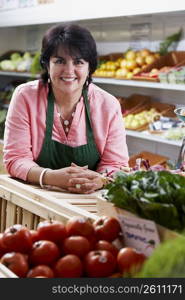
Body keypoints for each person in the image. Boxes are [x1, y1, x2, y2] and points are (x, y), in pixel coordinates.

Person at [3, 23, 129, 194]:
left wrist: (100, 180)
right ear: (47, 64)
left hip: (90, 205)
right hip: (35, 200)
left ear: (90, 67)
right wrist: (50, 177)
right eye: (59, 61)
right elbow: (16, 158)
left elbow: (116, 165)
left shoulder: (108, 105)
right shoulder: (26, 96)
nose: (69, 71)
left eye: (78, 62)